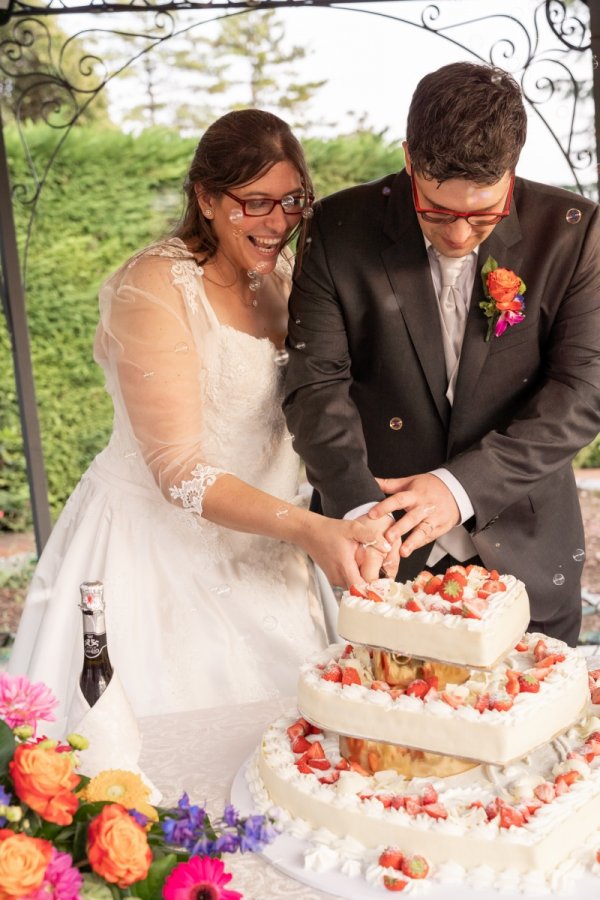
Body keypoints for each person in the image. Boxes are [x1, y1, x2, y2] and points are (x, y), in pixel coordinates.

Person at [9, 109, 394, 732]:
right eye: (256, 203)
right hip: (155, 553)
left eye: (293, 200)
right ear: (207, 198)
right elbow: (178, 470)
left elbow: (316, 403)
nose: (279, 223)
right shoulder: (155, 286)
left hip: (271, 546)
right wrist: (308, 528)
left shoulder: (289, 277)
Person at [284, 62, 600, 647]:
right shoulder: (338, 227)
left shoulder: (574, 233)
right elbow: (314, 386)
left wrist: (458, 488)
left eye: (483, 214)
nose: (458, 235)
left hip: (528, 551)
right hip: (380, 555)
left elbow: (583, 390)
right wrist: (358, 514)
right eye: (436, 210)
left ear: (513, 171)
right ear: (409, 159)